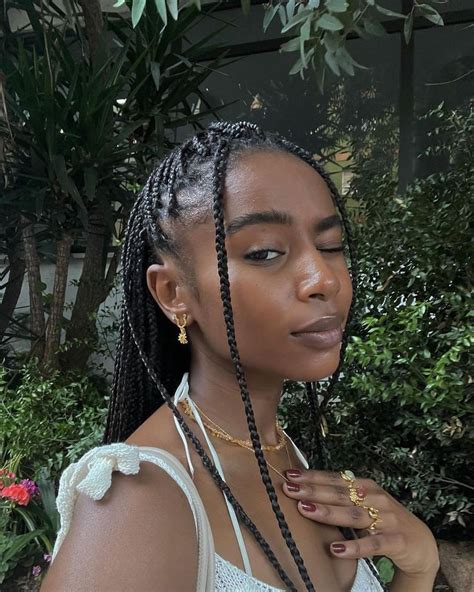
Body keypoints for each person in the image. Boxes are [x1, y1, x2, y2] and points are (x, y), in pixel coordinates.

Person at [41, 121, 439, 592]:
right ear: (173, 293)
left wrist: (418, 567)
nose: (323, 279)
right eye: (266, 252)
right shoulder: (140, 497)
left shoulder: (281, 453)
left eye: (331, 246)